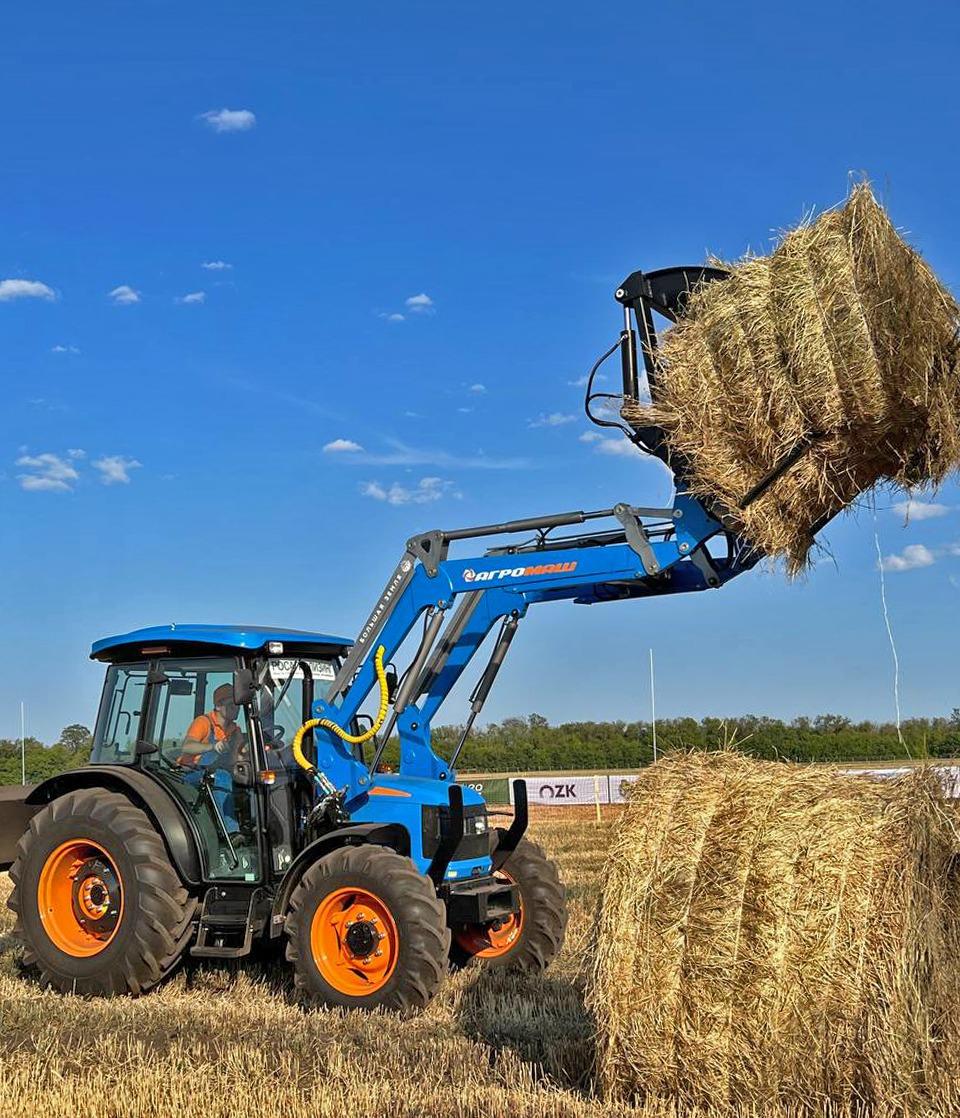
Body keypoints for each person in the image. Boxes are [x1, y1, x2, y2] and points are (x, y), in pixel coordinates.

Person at [178, 683, 245, 835]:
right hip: (190, 774)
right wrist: (212, 747)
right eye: (232, 705)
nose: (236, 709)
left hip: (215, 770)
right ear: (218, 706)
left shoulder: (235, 730)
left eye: (238, 705)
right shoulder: (204, 722)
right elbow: (187, 746)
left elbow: (238, 756)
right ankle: (231, 832)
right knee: (221, 777)